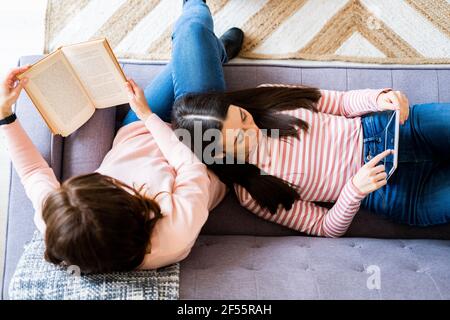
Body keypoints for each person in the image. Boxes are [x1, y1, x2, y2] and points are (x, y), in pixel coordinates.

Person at [0, 0, 242, 273]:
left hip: (136, 131)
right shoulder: (174, 233)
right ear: (130, 208)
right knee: (193, 32)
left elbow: (33, 172)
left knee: (189, 54)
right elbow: (190, 165)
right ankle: (208, 40)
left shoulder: (60, 223)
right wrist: (148, 116)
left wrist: (5, 112)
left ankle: (215, 53)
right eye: (112, 185)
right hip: (199, 149)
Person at [171, 84, 450, 237]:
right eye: (239, 137)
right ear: (219, 154)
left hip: (397, 128)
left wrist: (379, 98)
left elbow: (339, 104)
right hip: (393, 193)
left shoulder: (269, 98)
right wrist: (353, 190)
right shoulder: (253, 194)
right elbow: (324, 227)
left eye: (243, 117)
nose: (252, 128)